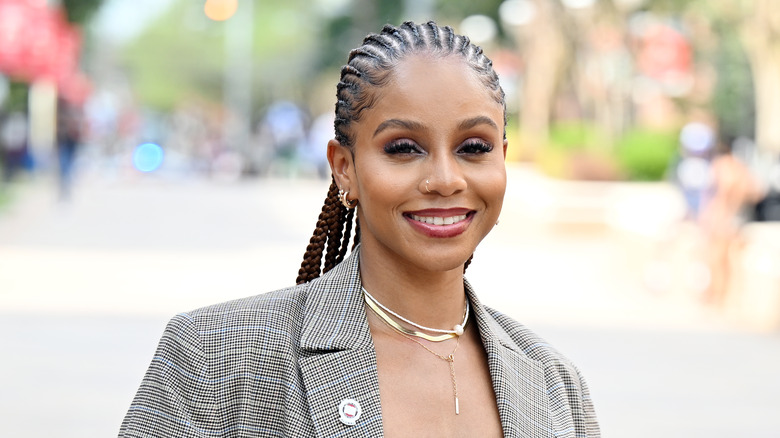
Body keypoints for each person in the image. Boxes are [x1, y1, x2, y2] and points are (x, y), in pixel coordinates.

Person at [119, 21, 600, 437]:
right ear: (344, 168)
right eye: (403, 148)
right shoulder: (216, 357)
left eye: (473, 146)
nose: (445, 179)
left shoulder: (553, 384)